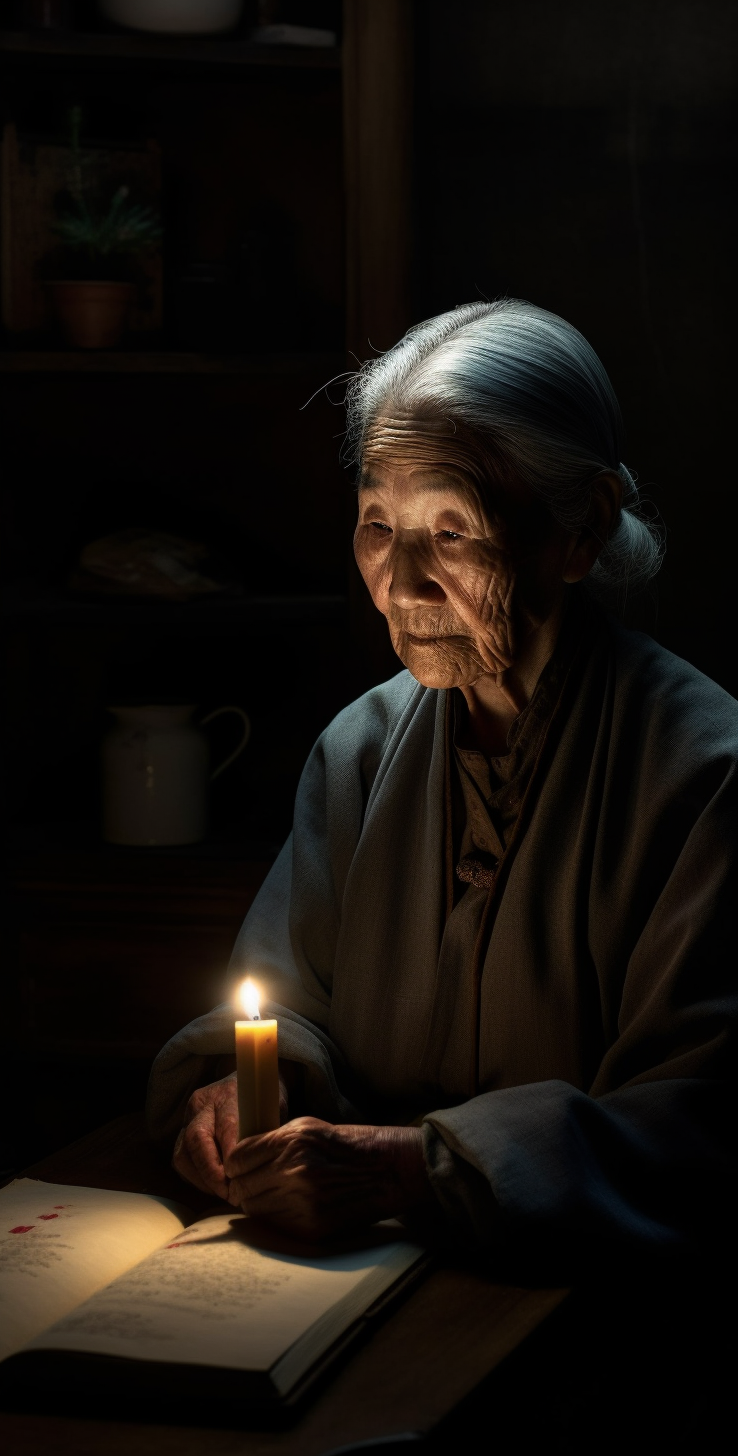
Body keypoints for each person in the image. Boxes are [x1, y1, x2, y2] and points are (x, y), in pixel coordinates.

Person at [147, 300, 737, 1269]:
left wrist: (406, 1169)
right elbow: (287, 1005)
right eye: (379, 523)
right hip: (356, 1280)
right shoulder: (361, 751)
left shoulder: (705, 776)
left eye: (453, 531)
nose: (402, 580)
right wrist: (243, 1092)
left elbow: (701, 1120)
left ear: (579, 530)